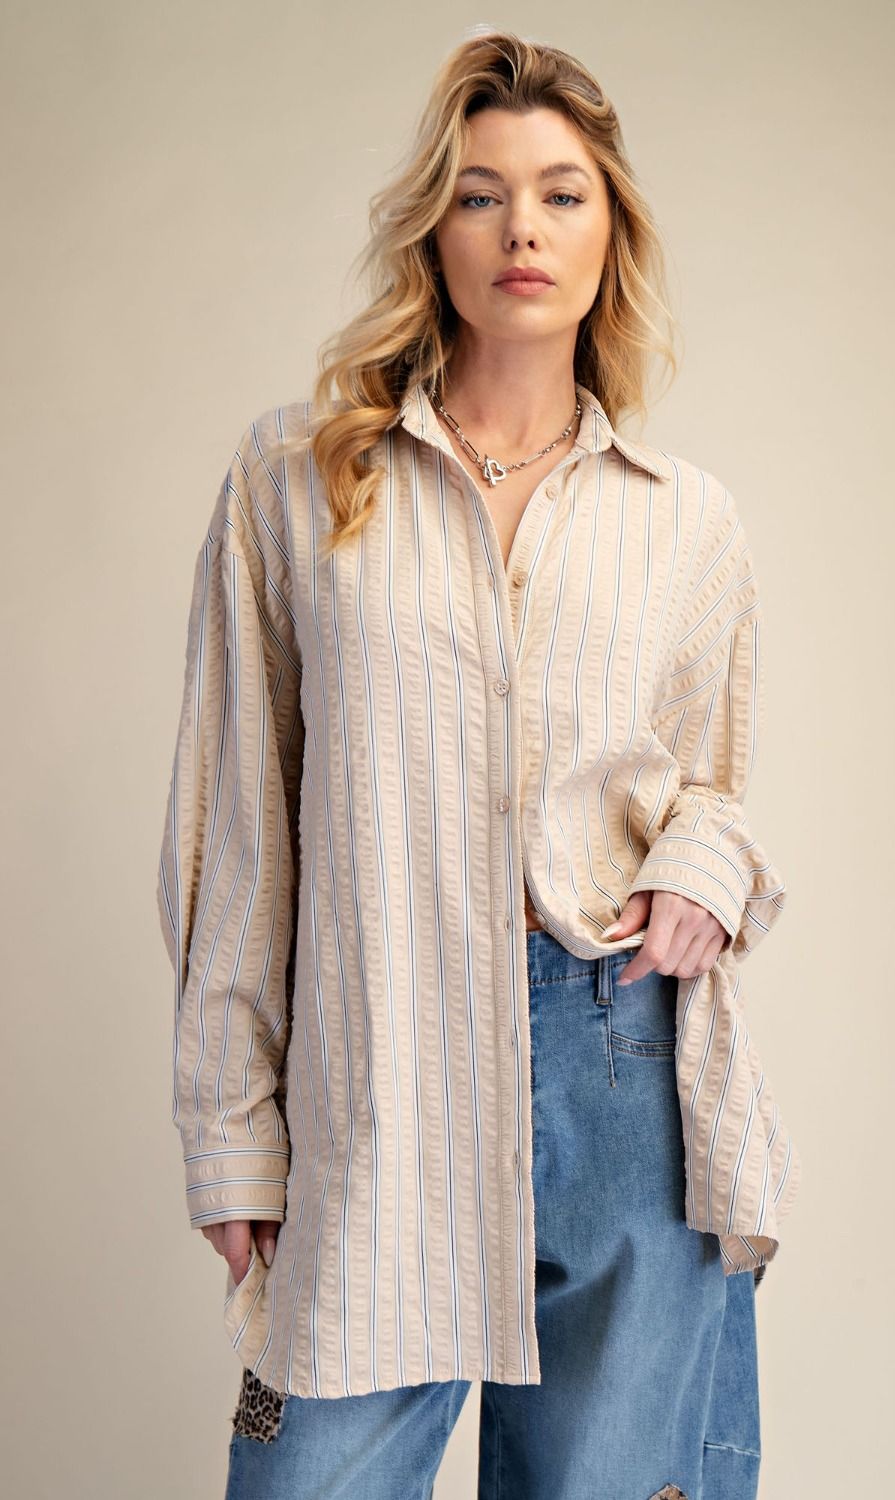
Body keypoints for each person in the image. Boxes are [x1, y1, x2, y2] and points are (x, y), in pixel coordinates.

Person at [155, 27, 800, 1500]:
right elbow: (236, 829)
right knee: (297, 1470)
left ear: (608, 230)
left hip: (618, 1061)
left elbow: (713, 785)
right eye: (480, 193)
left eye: (563, 194)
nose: (522, 229)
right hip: (377, 1064)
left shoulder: (686, 520)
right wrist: (229, 1139)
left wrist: (701, 868)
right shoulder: (298, 480)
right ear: (428, 232)